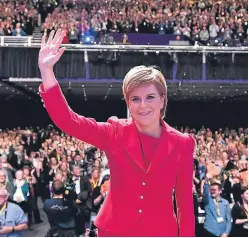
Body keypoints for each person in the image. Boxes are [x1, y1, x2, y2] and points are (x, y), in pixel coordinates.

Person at [38, 29, 196, 236]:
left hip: (160, 232)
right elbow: (69, 121)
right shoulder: (114, 132)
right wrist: (46, 71)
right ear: (128, 102)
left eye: (150, 97)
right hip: (114, 230)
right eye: (135, 99)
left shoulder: (183, 143)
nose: (143, 105)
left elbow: (185, 204)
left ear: (162, 99)